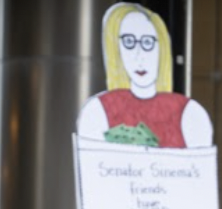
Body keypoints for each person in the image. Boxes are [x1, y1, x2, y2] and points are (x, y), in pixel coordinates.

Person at [76, 2, 213, 148]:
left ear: (162, 48)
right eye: (129, 42)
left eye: (148, 42)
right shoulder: (98, 110)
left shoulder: (190, 113)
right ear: (115, 50)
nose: (139, 56)